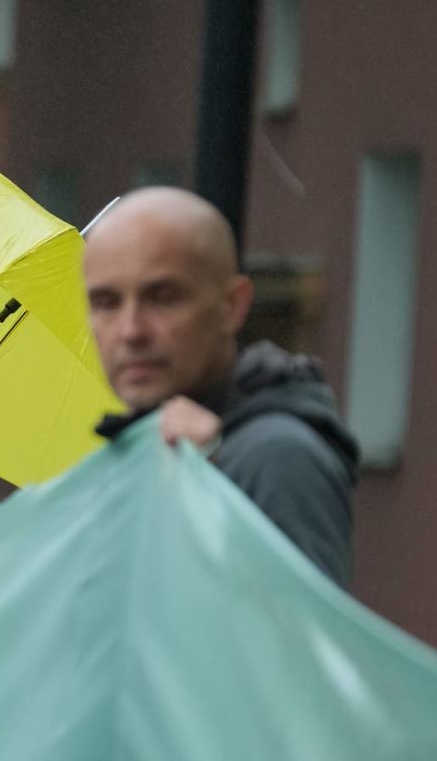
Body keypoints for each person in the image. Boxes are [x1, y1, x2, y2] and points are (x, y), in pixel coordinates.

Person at [83, 186, 357, 586]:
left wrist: (209, 488)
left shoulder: (276, 456)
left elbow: (298, 641)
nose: (131, 331)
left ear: (233, 305)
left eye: (162, 297)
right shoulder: (141, 448)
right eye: (106, 302)